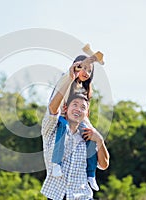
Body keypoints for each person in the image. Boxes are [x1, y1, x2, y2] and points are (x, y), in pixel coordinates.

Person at [41, 62, 110, 200]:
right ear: (65, 108)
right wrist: (70, 78)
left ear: (87, 113)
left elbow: (104, 164)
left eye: (83, 107)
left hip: (82, 196)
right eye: (75, 105)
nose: (78, 109)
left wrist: (100, 140)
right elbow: (53, 108)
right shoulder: (52, 130)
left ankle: (91, 178)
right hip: (56, 196)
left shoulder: (88, 136)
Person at [50, 55, 100, 191]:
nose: (85, 72)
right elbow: (56, 106)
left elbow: (83, 115)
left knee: (90, 135)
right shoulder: (67, 79)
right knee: (64, 126)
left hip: (77, 119)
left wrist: (92, 129)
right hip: (60, 116)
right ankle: (56, 163)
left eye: (89, 71)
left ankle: (91, 174)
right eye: (83, 68)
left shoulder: (84, 89)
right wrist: (72, 71)